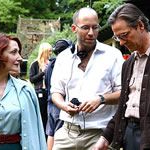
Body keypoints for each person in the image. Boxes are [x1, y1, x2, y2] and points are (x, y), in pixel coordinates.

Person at [93, 3, 150, 150]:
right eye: (117, 38)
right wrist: (106, 136)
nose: (122, 42)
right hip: (129, 136)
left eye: (124, 35)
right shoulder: (128, 64)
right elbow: (124, 106)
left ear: (140, 25)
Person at [50, 7, 124, 150]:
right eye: (85, 28)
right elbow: (56, 92)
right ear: (74, 28)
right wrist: (64, 106)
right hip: (67, 132)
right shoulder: (63, 58)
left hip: (100, 134)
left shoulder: (113, 55)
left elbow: (124, 92)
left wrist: (101, 99)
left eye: (95, 27)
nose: (91, 33)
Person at [45, 39, 72, 150]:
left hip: (50, 102)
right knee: (59, 131)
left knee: (50, 132)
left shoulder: (50, 64)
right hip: (60, 102)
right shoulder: (63, 64)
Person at [29, 42, 52, 134]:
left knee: (49, 115)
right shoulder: (35, 64)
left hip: (50, 93)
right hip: (39, 93)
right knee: (41, 115)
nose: (51, 53)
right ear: (44, 51)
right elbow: (32, 79)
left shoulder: (51, 63)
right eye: (49, 51)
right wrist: (43, 72)